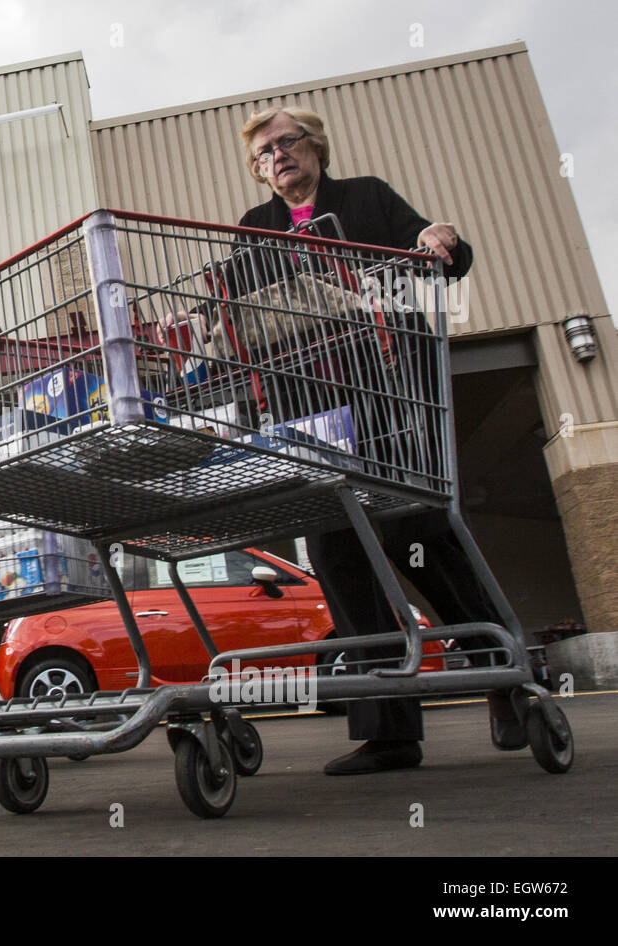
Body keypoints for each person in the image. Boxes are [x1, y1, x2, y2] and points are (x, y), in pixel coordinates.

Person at [233, 106, 524, 775]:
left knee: (414, 538)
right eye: (262, 154)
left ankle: (504, 676)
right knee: (337, 553)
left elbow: (438, 261)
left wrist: (439, 238)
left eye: (287, 143)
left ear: (315, 147)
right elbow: (240, 314)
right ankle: (389, 731)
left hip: (387, 401)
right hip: (315, 414)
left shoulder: (365, 198)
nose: (277, 157)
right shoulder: (255, 230)